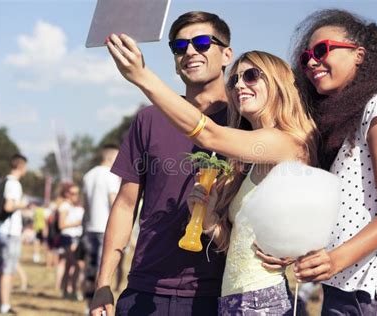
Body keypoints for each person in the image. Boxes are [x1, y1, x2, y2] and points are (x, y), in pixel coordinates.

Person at [91, 11, 234, 316]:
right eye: (179, 47)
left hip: (218, 293)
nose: (190, 52)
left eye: (202, 42)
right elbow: (125, 205)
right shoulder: (149, 118)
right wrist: (103, 282)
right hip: (146, 291)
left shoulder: (245, 120)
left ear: (226, 54)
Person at [289, 9, 377, 315]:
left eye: (322, 50)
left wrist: (334, 260)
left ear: (359, 55)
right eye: (306, 56)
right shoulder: (342, 126)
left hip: (376, 298)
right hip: (340, 294)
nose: (311, 61)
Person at [185, 51, 317, 314]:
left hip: (263, 301)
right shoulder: (252, 164)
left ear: (277, 83)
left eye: (251, 76)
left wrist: (143, 78)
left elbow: (209, 135)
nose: (239, 85)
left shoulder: (286, 143)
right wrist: (209, 219)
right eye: (233, 80)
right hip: (236, 300)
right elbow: (241, 249)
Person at [81, 144, 120, 306]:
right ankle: (99, 305)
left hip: (90, 227)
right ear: (110, 157)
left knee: (90, 269)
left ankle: (88, 304)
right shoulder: (111, 176)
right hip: (105, 228)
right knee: (103, 269)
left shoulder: (88, 175)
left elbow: (86, 206)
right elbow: (115, 204)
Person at [0, 154, 28, 314]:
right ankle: (5, 306)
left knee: (1, 269)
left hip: (2, 230)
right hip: (10, 233)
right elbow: (8, 206)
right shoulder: (14, 184)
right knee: (8, 271)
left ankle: (1, 303)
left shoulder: (3, 181)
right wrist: (21, 204)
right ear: (21, 166)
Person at [56, 182, 84, 299]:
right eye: (73, 193)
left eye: (77, 193)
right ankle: (71, 290)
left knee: (70, 266)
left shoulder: (71, 206)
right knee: (75, 265)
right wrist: (76, 223)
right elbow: (61, 225)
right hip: (69, 238)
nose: (75, 196)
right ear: (67, 194)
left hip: (74, 238)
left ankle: (67, 290)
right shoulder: (64, 206)